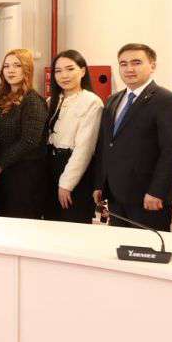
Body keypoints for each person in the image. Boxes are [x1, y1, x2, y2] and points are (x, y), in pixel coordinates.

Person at [92, 43, 172, 231]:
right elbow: (106, 145)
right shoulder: (113, 100)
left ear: (152, 66)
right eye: (123, 64)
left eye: (136, 62)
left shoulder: (166, 100)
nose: (129, 69)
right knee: (119, 246)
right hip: (116, 195)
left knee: (147, 248)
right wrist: (100, 183)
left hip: (148, 198)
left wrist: (157, 191)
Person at [45, 50, 103, 224]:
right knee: (50, 225)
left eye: (70, 69)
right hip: (50, 167)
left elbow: (84, 149)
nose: (64, 75)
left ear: (83, 71)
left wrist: (66, 184)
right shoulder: (52, 100)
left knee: (72, 224)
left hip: (74, 170)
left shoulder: (91, 101)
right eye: (58, 71)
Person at [0, 48, 49, 219]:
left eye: (17, 65)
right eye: (6, 66)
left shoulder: (33, 100)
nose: (10, 70)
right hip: (5, 173)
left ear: (27, 69)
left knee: (20, 224)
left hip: (25, 175)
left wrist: (1, 164)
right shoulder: (3, 98)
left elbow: (29, 140)